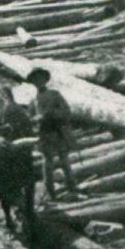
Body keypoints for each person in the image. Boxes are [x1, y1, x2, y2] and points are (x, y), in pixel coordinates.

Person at [27, 68, 77, 200]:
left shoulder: (55, 94)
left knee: (64, 161)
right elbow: (30, 119)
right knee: (47, 164)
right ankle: (50, 192)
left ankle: (72, 187)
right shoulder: (33, 100)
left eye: (40, 79)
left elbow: (67, 111)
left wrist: (54, 115)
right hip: (44, 134)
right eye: (35, 80)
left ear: (45, 80)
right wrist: (36, 120)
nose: (38, 82)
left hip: (58, 131)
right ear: (33, 82)